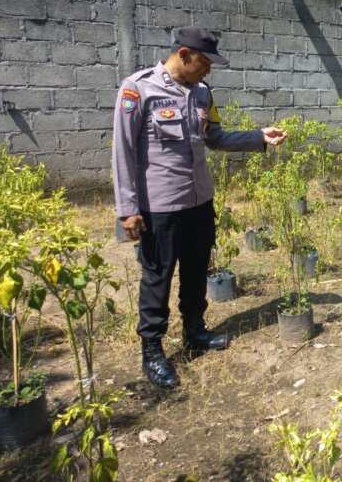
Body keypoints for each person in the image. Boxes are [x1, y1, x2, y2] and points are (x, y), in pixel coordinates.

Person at [112, 26, 287, 389]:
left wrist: (259, 137)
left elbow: (216, 139)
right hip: (160, 207)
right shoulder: (138, 89)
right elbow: (123, 153)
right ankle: (153, 351)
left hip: (199, 203)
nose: (209, 70)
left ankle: (195, 331)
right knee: (157, 279)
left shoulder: (203, 94)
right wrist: (128, 209)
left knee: (195, 272)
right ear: (184, 55)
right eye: (205, 62)